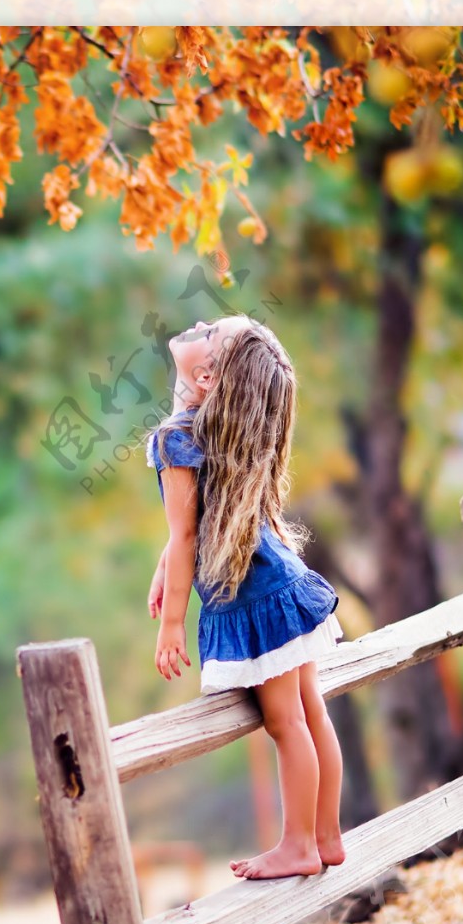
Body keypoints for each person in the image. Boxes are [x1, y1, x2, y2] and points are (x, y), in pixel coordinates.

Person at [145, 314, 346, 880]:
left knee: (286, 724)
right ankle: (326, 835)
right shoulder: (216, 432)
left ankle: (300, 845)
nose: (201, 322)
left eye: (213, 332)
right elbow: (194, 526)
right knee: (311, 714)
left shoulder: (175, 439)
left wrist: (172, 623)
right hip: (280, 582)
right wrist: (165, 569)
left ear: (207, 376)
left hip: (257, 593)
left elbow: (185, 535)